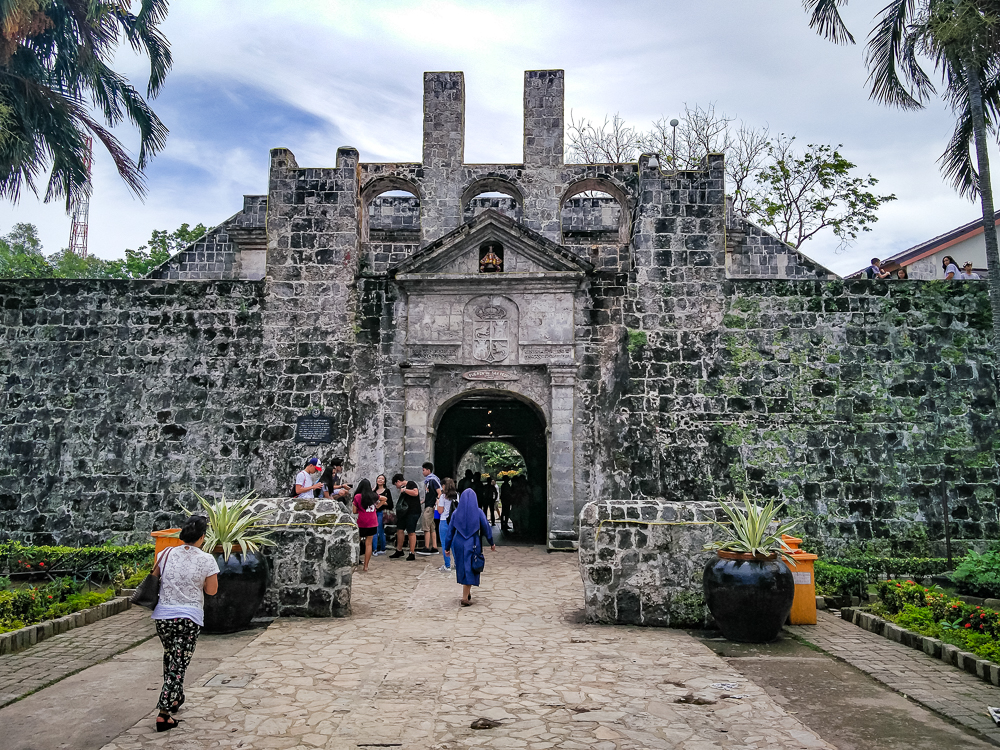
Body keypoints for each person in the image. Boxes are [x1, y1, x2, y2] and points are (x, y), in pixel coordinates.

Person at [150, 515, 219, 732]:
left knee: (171, 657)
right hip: (188, 618)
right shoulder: (207, 559)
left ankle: (176, 697)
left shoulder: (164, 554)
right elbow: (212, 591)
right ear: (202, 536)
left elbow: (155, 577)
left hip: (163, 616)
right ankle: (164, 713)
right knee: (179, 663)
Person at [445, 488, 496, 606]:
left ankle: (466, 592)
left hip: (458, 542)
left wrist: (447, 547)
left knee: (463, 567)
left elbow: (450, 531)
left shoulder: (456, 513)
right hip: (473, 542)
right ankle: (465, 598)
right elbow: (486, 528)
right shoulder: (478, 512)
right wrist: (491, 542)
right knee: (471, 567)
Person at [390, 473, 421, 560]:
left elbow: (415, 493)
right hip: (404, 513)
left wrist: (405, 490)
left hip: (413, 511)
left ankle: (412, 552)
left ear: (398, 481)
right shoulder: (403, 488)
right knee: (400, 530)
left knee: (411, 531)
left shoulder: (411, 483)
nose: (397, 487)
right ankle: (399, 550)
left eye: (396, 484)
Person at [352, 479, 379, 572]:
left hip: (362, 522)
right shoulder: (374, 496)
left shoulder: (358, 496)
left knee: (357, 542)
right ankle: (366, 566)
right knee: (369, 544)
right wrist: (377, 506)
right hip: (373, 522)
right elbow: (384, 498)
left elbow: (354, 511)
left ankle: (355, 563)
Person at [436, 477, 459, 572]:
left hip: (444, 521)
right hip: (454, 522)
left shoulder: (443, 496)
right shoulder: (456, 495)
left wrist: (438, 503)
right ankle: (457, 563)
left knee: (445, 544)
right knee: (454, 544)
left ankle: (447, 565)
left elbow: (440, 511)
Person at [421, 462, 440, 555]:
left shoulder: (432, 480)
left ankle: (427, 547)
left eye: (424, 470)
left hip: (430, 506)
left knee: (426, 526)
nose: (422, 472)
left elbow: (439, 492)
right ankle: (434, 546)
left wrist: (436, 502)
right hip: (429, 504)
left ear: (428, 470)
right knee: (432, 527)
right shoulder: (429, 481)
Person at [373, 474, 392, 556]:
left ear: (384, 481)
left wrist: (381, 502)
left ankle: (382, 548)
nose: (380, 480)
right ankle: (374, 549)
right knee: (374, 530)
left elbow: (390, 504)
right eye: (379, 478)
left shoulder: (387, 491)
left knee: (380, 530)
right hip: (373, 512)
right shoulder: (373, 491)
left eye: (382, 479)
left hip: (381, 512)